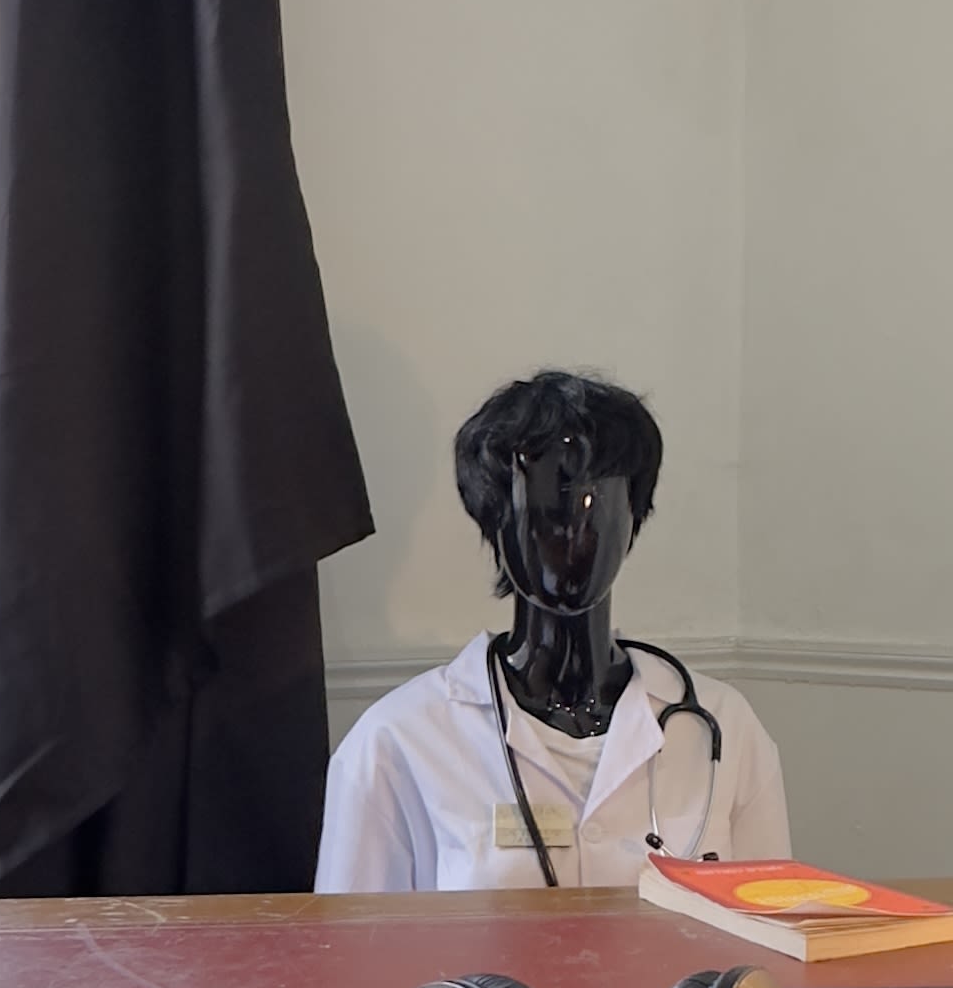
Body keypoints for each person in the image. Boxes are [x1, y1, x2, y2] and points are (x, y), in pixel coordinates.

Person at [316, 372, 789, 892]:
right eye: (543, 509)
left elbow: (768, 947)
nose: (572, 533)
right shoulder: (396, 741)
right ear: (495, 525)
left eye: (596, 504)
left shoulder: (725, 726)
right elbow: (352, 958)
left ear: (634, 519)